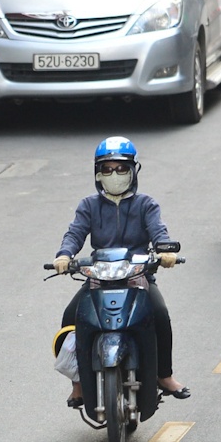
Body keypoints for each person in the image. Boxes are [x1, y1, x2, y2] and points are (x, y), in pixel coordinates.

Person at [54, 137, 188, 410]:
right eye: (107, 169)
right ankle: (78, 383)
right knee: (70, 318)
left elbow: (159, 232)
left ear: (133, 171)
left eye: (121, 169)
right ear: (97, 173)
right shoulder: (88, 206)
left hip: (137, 277)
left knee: (160, 314)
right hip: (98, 278)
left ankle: (164, 375)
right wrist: (64, 255)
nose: (114, 175)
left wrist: (165, 253)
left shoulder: (146, 204)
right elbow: (75, 233)